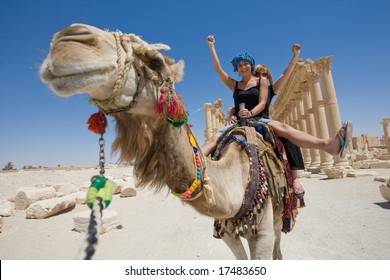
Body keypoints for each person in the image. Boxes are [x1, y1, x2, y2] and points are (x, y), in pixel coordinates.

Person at [201, 35, 352, 166]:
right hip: (238, 122)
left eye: (245, 63)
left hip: (259, 118)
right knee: (211, 140)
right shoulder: (234, 85)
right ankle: (196, 164)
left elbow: (262, 103)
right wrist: (211, 47)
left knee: (286, 130)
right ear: (236, 69)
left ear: (250, 65)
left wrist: (251, 112)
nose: (243, 67)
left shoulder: (261, 81)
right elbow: (218, 69)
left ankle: (327, 145)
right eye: (239, 65)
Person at [228, 44, 305, 196]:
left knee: (290, 139)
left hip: (263, 121)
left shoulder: (272, 89)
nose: (261, 76)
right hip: (246, 120)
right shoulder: (248, 87)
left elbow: (286, 74)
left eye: (265, 74)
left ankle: (295, 177)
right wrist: (231, 113)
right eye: (259, 73)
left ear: (268, 76)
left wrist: (295, 56)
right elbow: (236, 105)